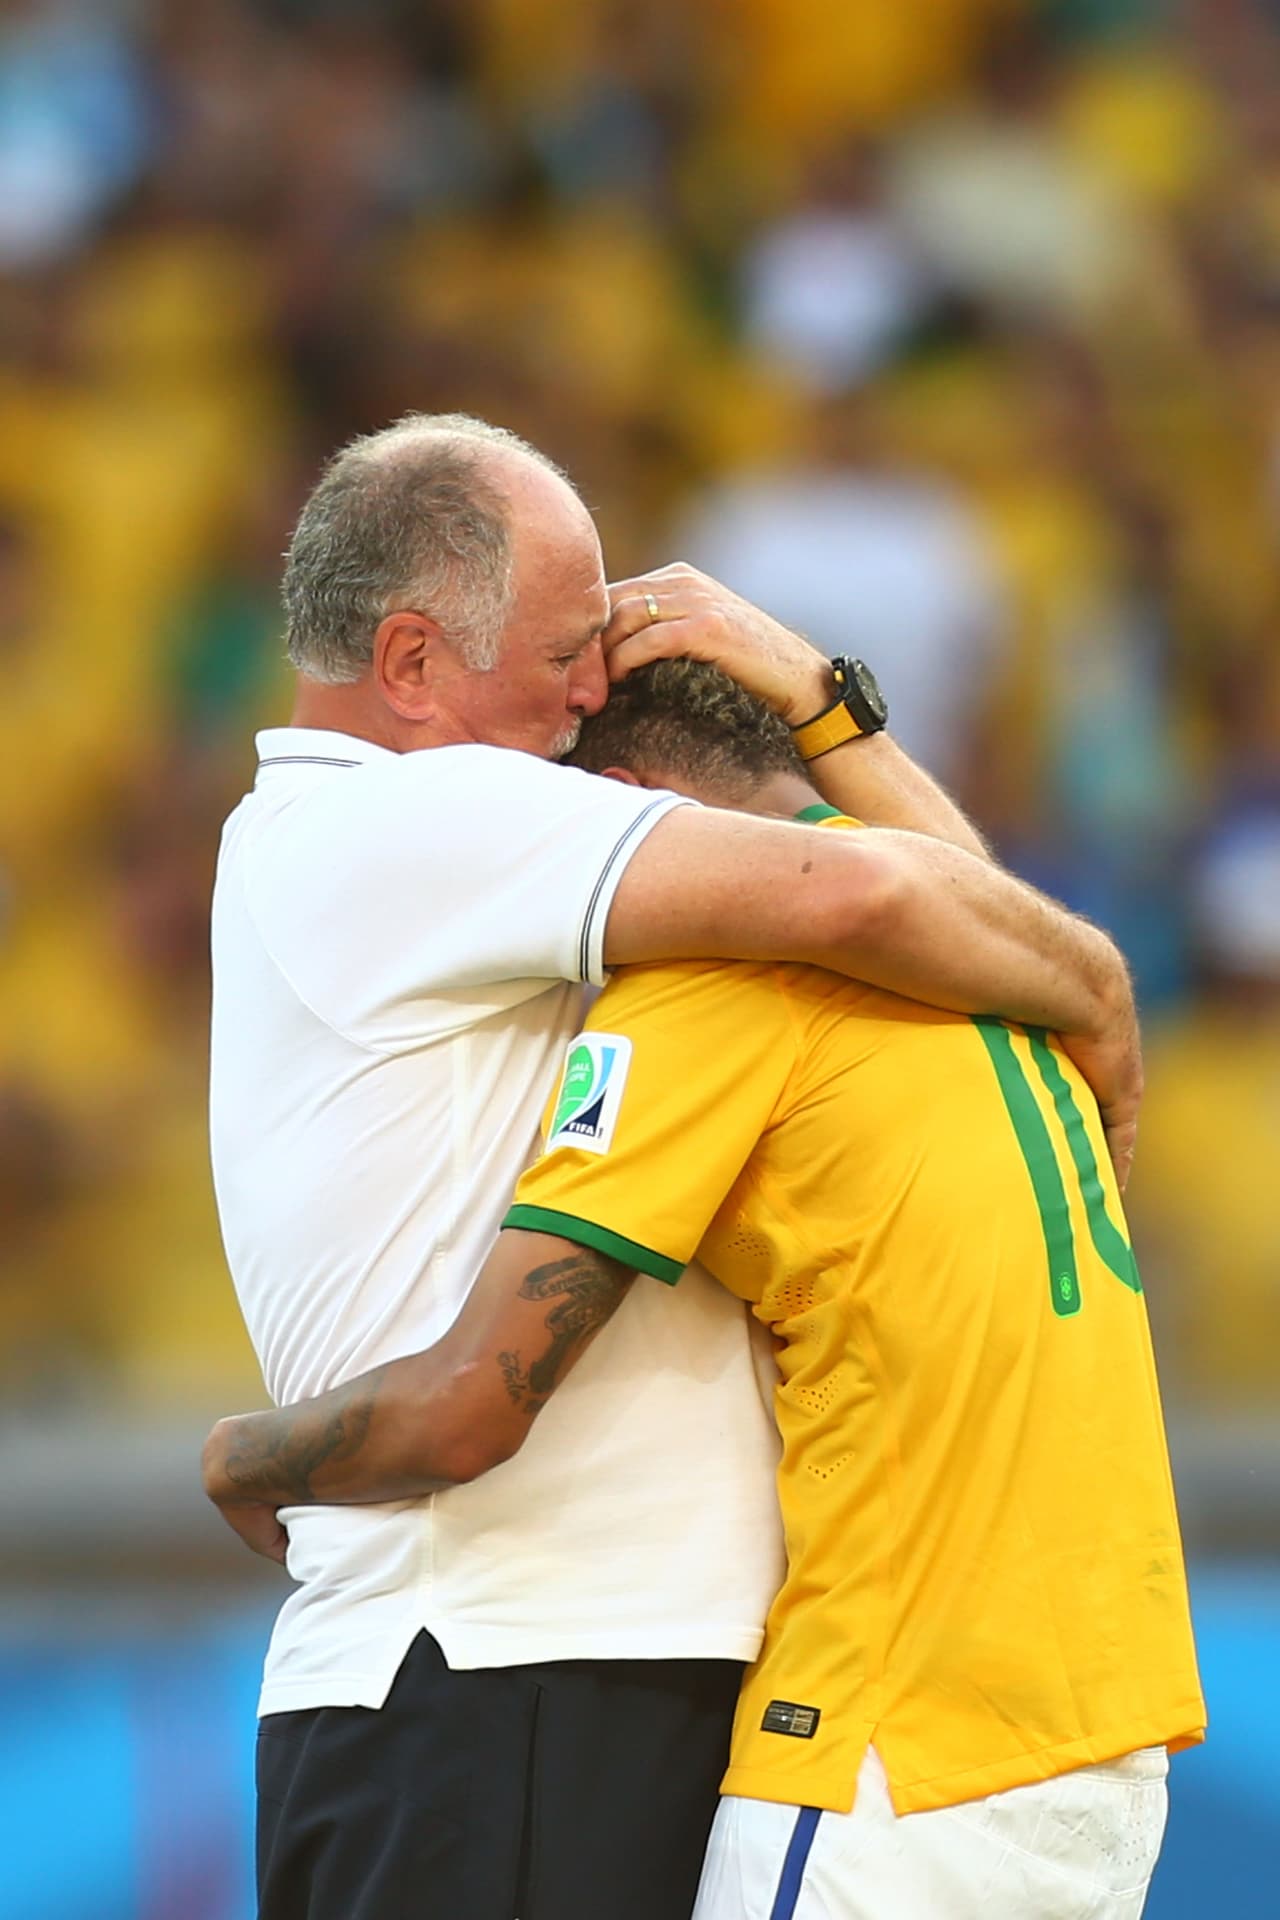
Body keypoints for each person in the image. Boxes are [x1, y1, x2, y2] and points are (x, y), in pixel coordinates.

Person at [207, 411, 1140, 1920]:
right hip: (498, 1681)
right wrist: (1093, 986)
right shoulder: (407, 816)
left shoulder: (431, 848)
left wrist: (836, 725)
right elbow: (854, 888)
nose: (598, 689)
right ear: (411, 668)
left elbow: (919, 913)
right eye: (570, 645)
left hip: (557, 1682)